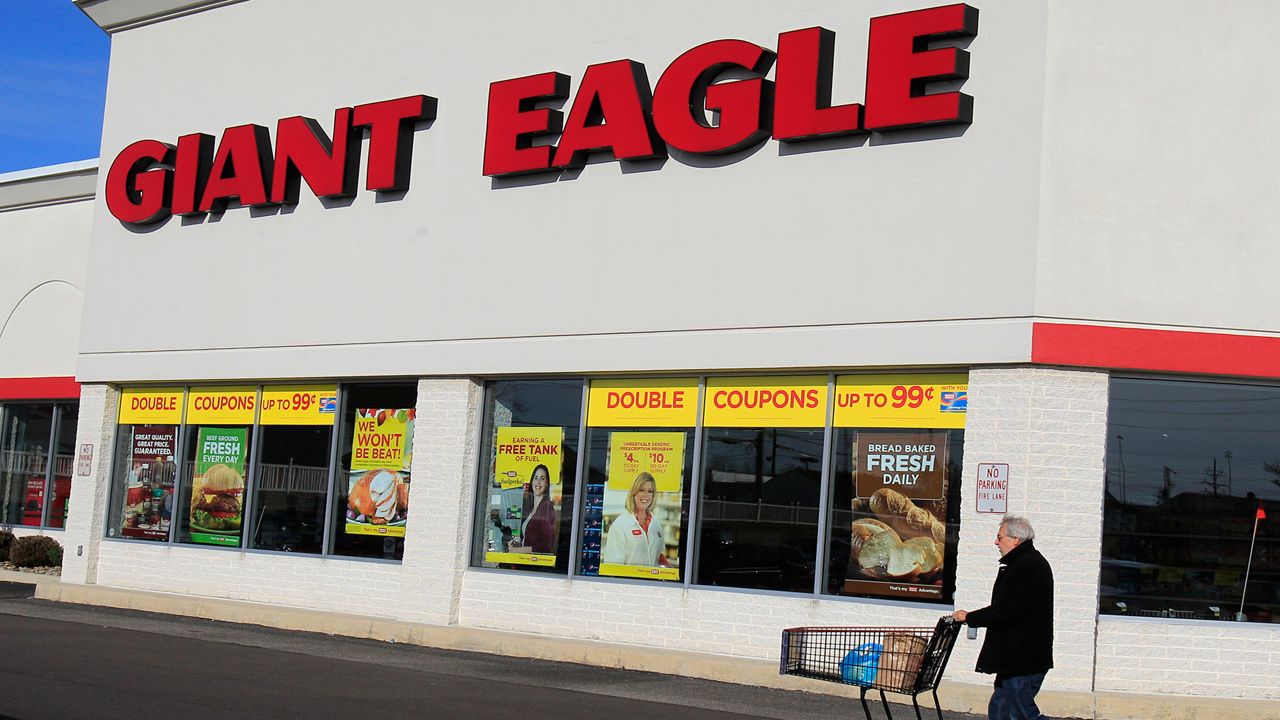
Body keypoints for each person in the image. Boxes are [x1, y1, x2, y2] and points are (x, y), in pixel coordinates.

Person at [953, 514, 1054, 720]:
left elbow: (1007, 610)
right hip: (1015, 656)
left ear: (1015, 539)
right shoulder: (1022, 563)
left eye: (1000, 537)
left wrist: (970, 617)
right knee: (1000, 708)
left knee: (1020, 713)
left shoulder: (1028, 566)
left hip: (1023, 657)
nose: (996, 542)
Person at [601, 472, 669, 567]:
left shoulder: (656, 525)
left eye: (650, 491)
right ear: (634, 493)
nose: (646, 495)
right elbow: (612, 566)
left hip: (651, 581)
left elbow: (658, 557)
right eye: (641, 490)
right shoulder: (620, 526)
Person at [516, 464, 557, 554]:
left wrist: (517, 550)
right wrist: (516, 545)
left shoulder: (547, 509)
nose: (538, 482)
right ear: (531, 481)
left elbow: (545, 546)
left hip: (535, 564)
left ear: (547, 484)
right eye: (535, 478)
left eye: (542, 479)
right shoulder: (530, 507)